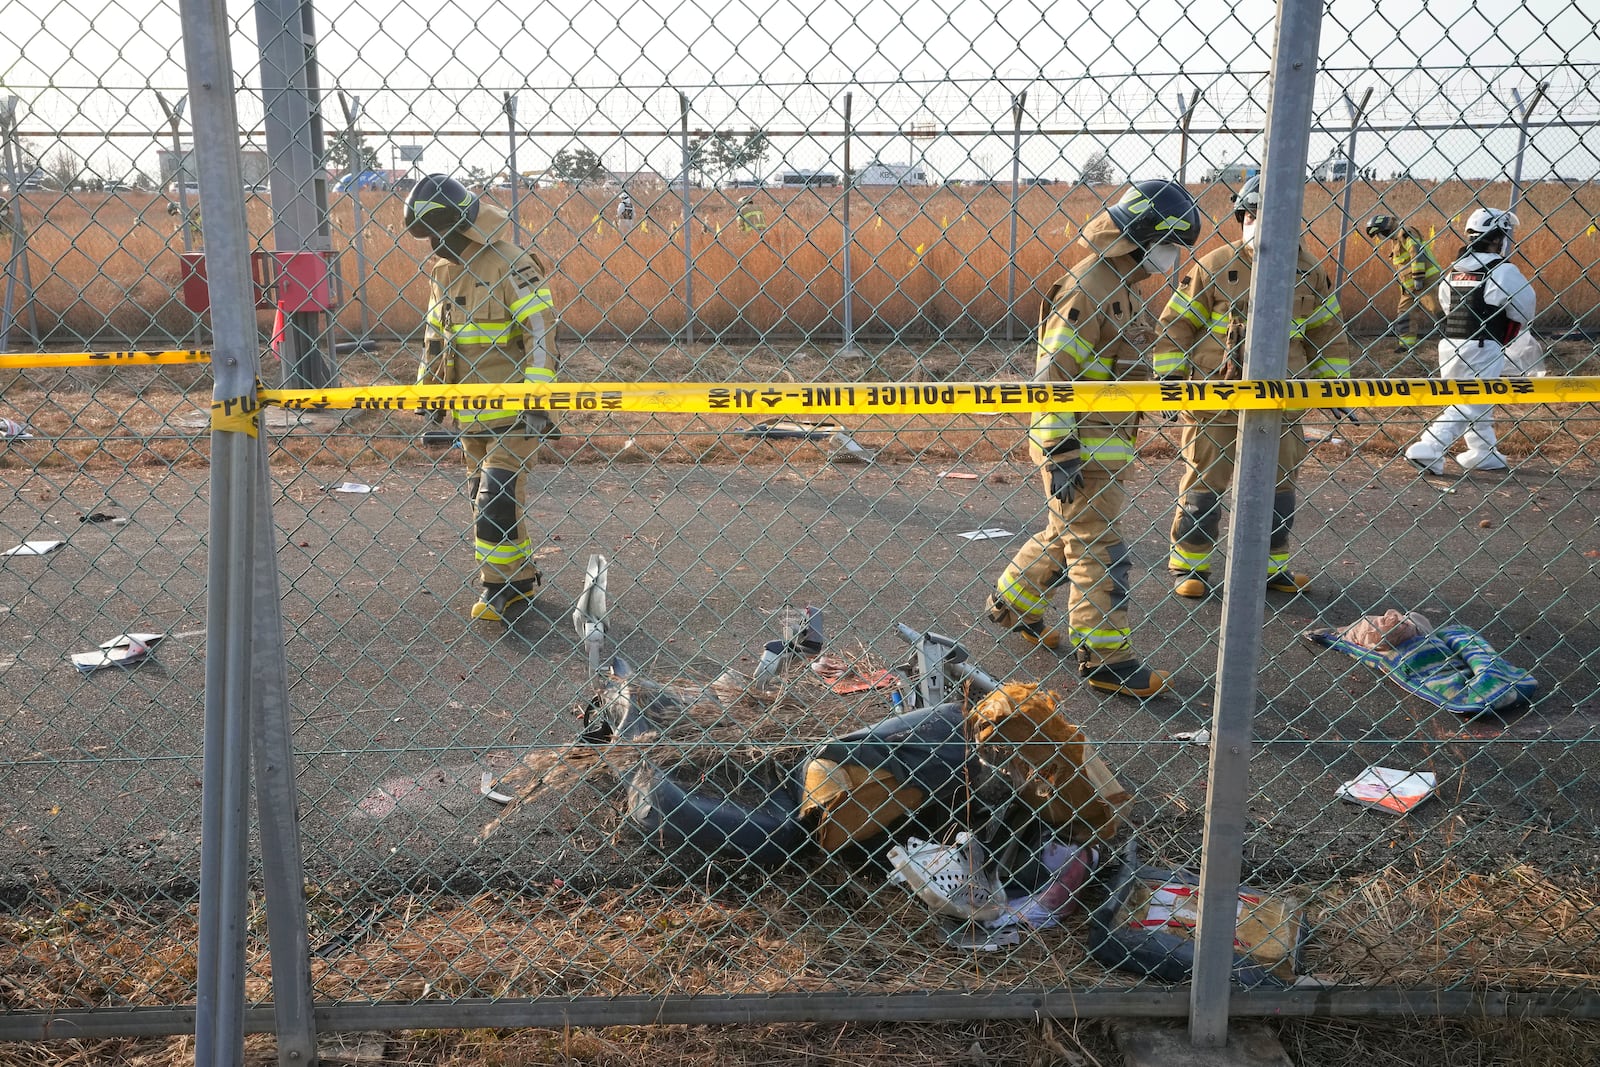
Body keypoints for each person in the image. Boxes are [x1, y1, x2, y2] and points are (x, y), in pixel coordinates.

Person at [986, 180, 1200, 699]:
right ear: (1143, 238)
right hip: (1081, 447)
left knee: (1070, 531)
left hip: (1097, 444)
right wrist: (1062, 451)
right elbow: (1053, 374)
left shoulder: (1118, 282)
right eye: (1170, 246)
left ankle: (1015, 602)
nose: (1173, 259)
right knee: (1098, 546)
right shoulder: (1092, 285)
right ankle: (1105, 657)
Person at [1154, 173, 1350, 600]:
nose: (1262, 222)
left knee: (1279, 487)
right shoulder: (1214, 266)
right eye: (1254, 213)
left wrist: (1335, 384)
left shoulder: (1309, 270)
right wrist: (1170, 381)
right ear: (1241, 215)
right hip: (1216, 402)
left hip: (1282, 403)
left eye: (1274, 214)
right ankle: (1190, 565)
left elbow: (1327, 331)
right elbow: (1176, 324)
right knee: (1205, 483)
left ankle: (1271, 567)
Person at [403, 173, 561, 625]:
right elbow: (436, 336)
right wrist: (428, 390)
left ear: (459, 227)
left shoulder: (511, 262)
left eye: (436, 234)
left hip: (516, 414)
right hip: (469, 414)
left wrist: (537, 396)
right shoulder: (444, 273)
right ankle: (521, 578)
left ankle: (495, 587)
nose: (432, 244)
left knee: (495, 497)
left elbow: (541, 328)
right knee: (488, 498)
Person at [1404, 207, 1534, 475]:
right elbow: (1524, 308)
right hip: (1484, 345)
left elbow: (1447, 305)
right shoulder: (1503, 271)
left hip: (1450, 344)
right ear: (1498, 238)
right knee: (1469, 400)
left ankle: (1483, 452)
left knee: (1473, 397)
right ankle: (1429, 446)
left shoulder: (1455, 271)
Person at [1365, 213, 1441, 353]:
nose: (1380, 237)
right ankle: (1406, 345)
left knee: (1438, 309)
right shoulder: (1395, 241)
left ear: (1385, 227)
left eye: (1379, 233)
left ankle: (1453, 337)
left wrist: (1418, 277)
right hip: (1409, 287)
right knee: (1404, 314)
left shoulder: (1405, 232)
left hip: (1425, 280)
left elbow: (1416, 253)